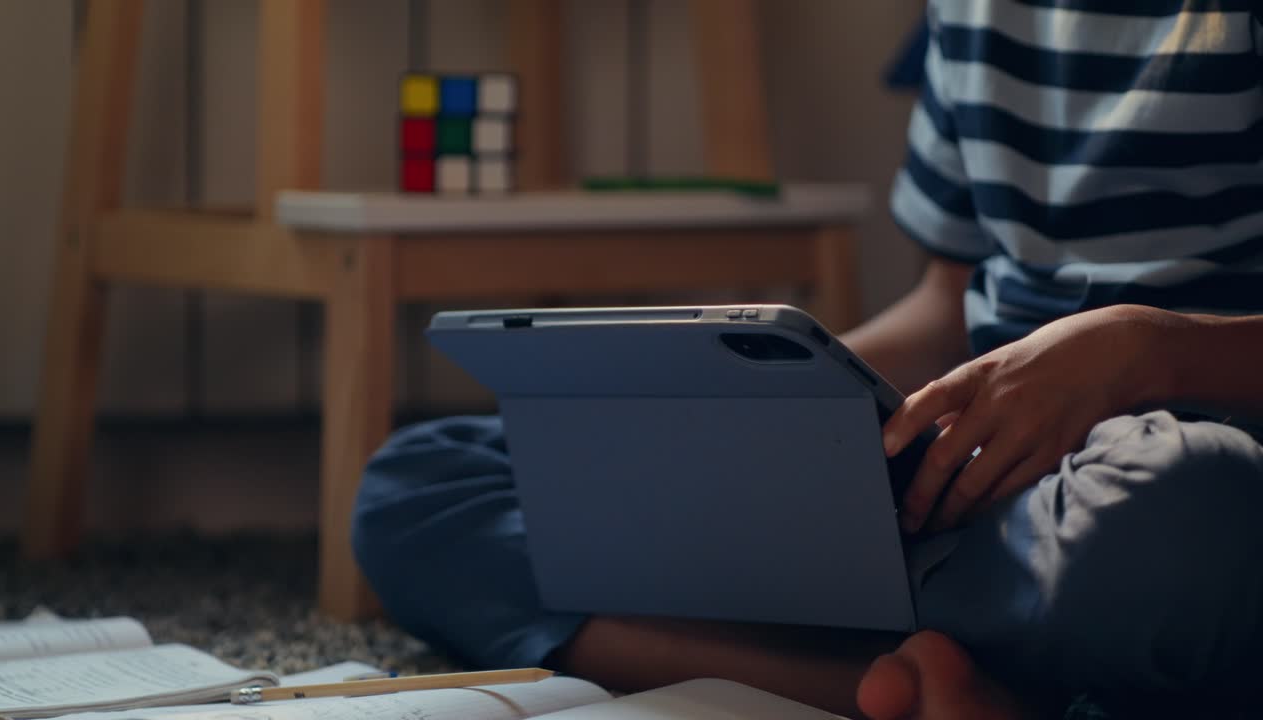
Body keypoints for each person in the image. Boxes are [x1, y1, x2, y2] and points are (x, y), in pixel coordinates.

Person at [352, 2, 1263, 718]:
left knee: (1190, 518)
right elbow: (947, 304)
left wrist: (1153, 352)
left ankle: (790, 666)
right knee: (414, 483)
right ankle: (885, 687)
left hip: (1154, 467)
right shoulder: (969, 11)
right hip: (961, 470)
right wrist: (756, 407)